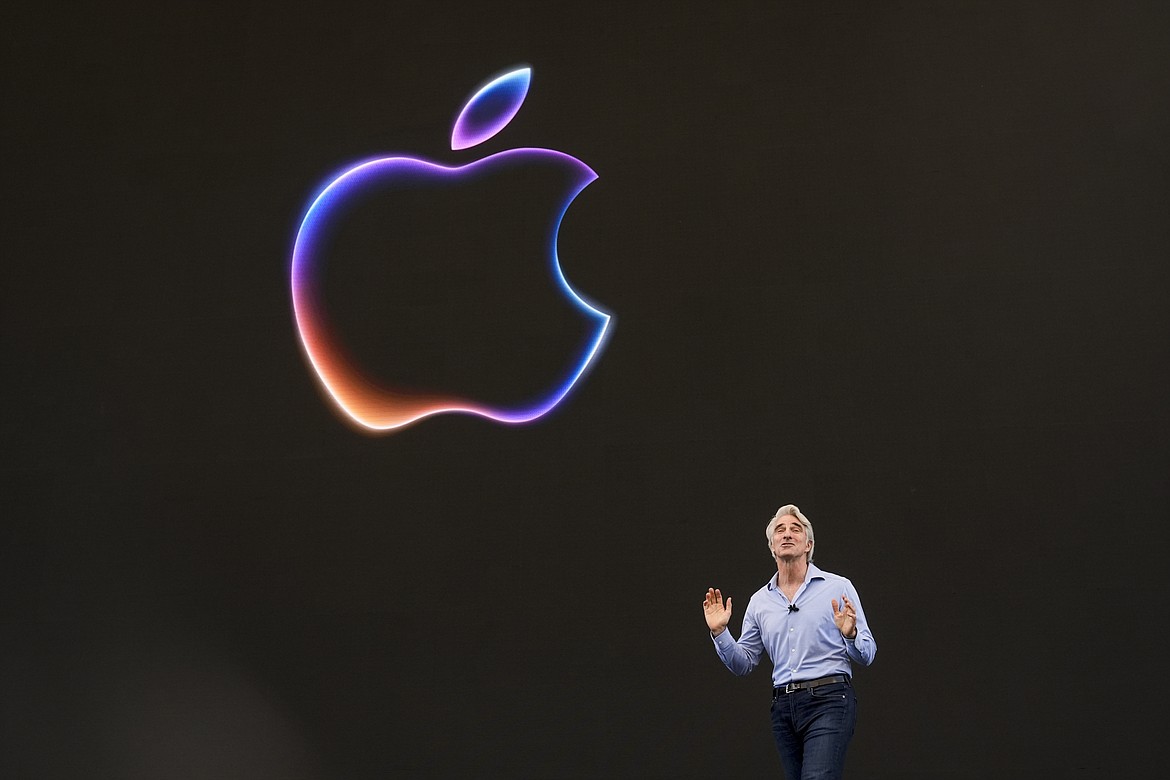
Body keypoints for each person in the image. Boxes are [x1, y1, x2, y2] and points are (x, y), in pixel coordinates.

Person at [703, 504, 876, 779]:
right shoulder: (760, 602)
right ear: (772, 546)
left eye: (795, 529)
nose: (787, 534)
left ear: (808, 544)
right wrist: (720, 633)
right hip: (784, 708)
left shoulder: (838, 587)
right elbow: (743, 663)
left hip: (829, 700)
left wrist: (850, 634)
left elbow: (868, 653)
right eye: (780, 530)